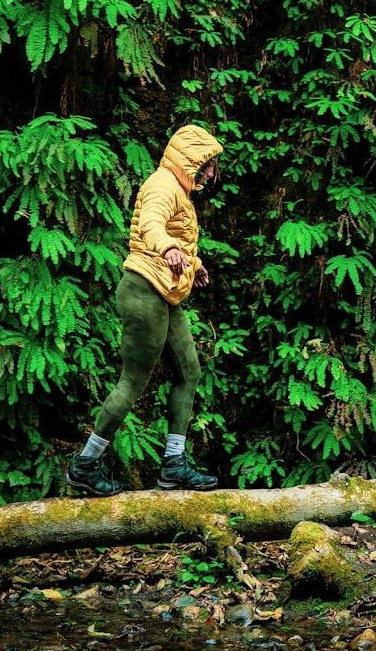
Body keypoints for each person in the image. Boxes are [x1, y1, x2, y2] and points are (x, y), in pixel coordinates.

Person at [67, 123, 224, 495]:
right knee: (133, 381)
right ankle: (85, 465)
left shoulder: (179, 191)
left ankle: (174, 465)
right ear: (192, 162)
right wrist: (167, 248)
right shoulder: (162, 185)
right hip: (144, 290)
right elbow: (152, 224)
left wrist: (193, 264)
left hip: (165, 294)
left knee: (190, 371)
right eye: (210, 165)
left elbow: (176, 236)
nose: (213, 173)